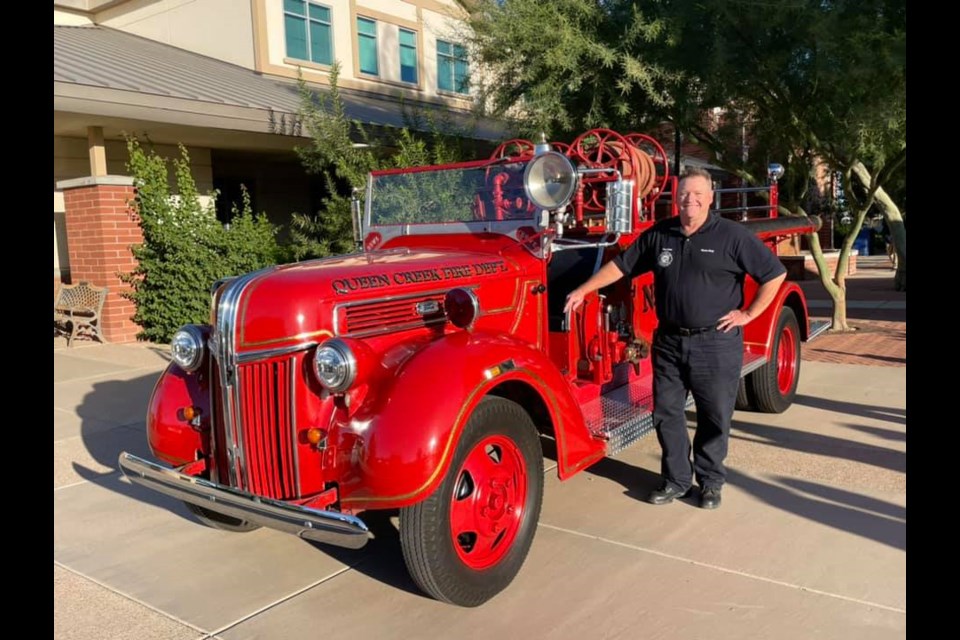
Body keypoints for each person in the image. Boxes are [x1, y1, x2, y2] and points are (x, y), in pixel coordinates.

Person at [563, 167, 787, 509]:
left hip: (716, 342)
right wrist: (583, 289)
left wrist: (748, 314)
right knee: (666, 413)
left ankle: (710, 483)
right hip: (669, 342)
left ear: (711, 197)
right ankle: (676, 481)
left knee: (714, 416)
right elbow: (622, 266)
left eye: (698, 194)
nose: (690, 200)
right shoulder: (660, 234)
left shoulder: (732, 236)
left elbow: (774, 274)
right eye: (684, 194)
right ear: (675, 198)